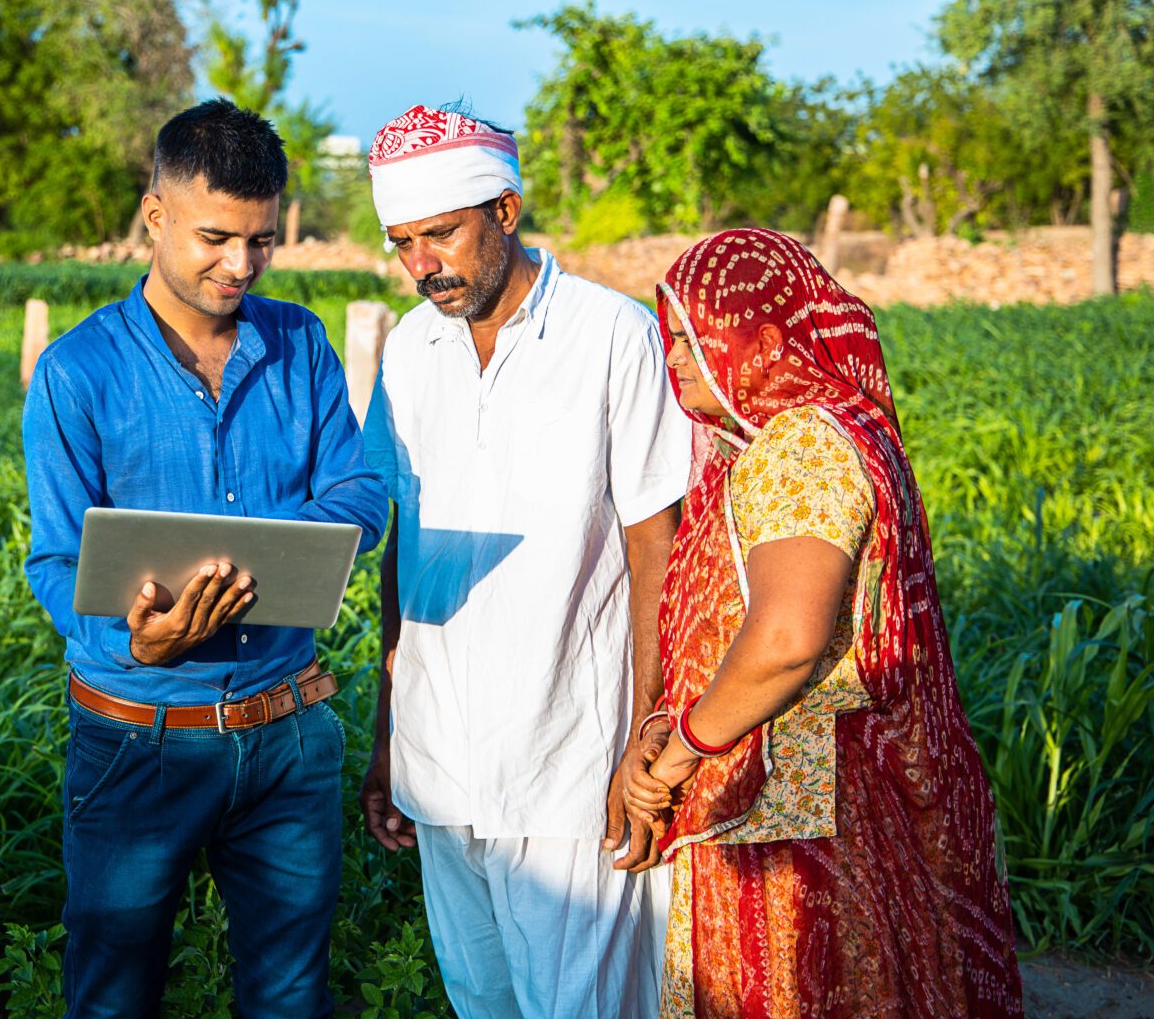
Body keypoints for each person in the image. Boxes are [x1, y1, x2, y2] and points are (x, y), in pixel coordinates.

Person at [22, 99, 389, 1019]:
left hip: (288, 736)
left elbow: (357, 488)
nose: (240, 265)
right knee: (111, 993)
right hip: (135, 738)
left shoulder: (301, 342)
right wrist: (131, 635)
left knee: (292, 994)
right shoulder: (78, 372)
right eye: (217, 237)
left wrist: (300, 546)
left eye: (261, 242)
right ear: (155, 216)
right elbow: (57, 558)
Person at [625, 228, 1024, 1018]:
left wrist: (677, 757)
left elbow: (785, 641)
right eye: (667, 337)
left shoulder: (801, 444)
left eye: (690, 338)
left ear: (764, 340)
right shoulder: (844, 427)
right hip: (842, 787)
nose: (670, 359)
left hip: (793, 808)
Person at [359, 103, 693, 1018]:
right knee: (481, 999)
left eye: (442, 234)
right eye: (402, 243)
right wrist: (388, 731)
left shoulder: (611, 334)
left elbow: (654, 542)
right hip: (439, 759)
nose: (423, 264)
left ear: (504, 212)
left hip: (570, 761)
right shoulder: (410, 350)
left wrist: (652, 730)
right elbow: (402, 543)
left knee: (582, 1006)